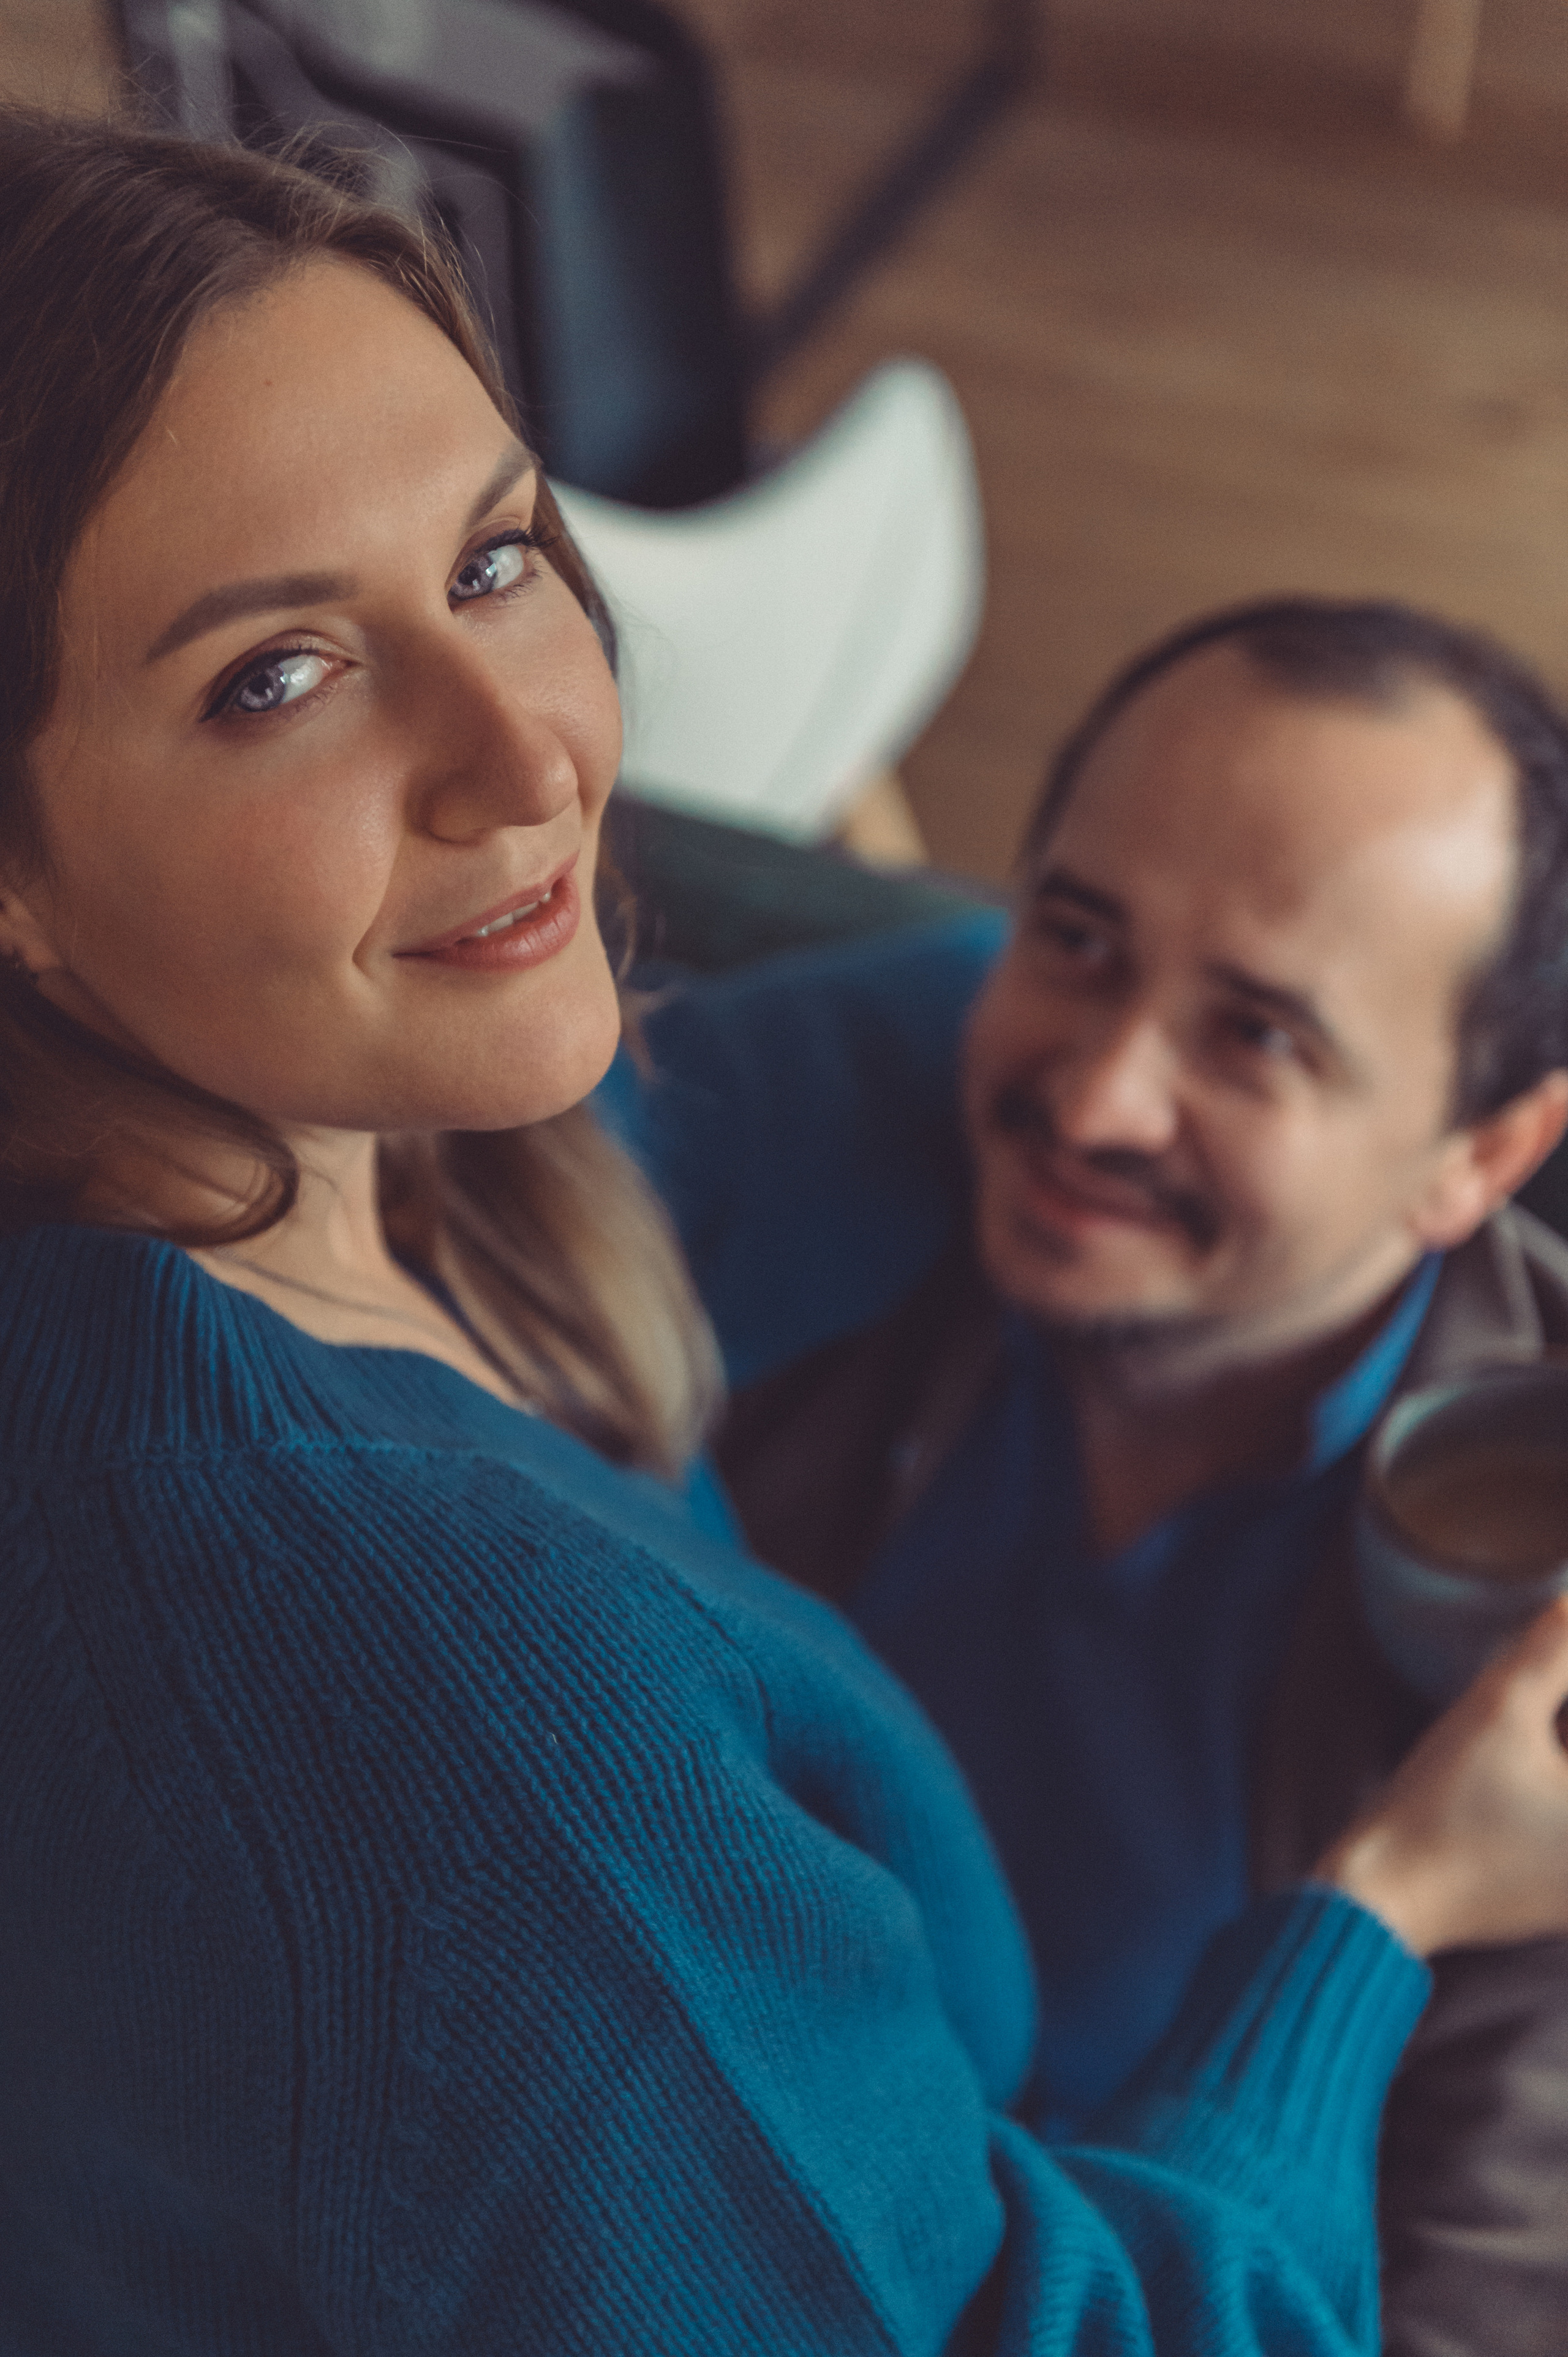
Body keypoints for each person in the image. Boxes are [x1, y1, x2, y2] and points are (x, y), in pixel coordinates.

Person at [4, 110, 1568, 2357]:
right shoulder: (482, 1747)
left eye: (496, 557)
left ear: (1484, 1154)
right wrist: (1388, 1908)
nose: (531, 764)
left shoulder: (424, 1161)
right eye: (275, 677)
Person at [605, 599, 1568, 2357]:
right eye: (1077, 937)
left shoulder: (1524, 1616)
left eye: (1257, 1036)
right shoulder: (873, 1126)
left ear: (1481, 1153)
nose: (1097, 1097)